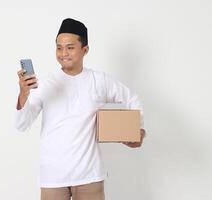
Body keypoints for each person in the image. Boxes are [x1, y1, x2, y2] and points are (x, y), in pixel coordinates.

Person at [14, 18, 146, 200]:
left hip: (89, 176)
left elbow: (132, 98)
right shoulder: (44, 84)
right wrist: (23, 94)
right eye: (59, 47)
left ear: (85, 50)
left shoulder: (99, 81)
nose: (63, 53)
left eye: (70, 47)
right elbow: (21, 124)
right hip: (53, 177)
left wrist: (138, 130)